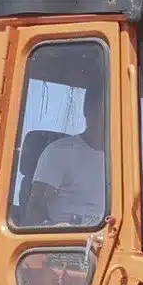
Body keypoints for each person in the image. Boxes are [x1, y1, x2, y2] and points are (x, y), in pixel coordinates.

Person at [24, 81, 108, 227]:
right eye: (102, 108)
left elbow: (138, 213)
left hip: (112, 242)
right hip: (70, 245)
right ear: (87, 110)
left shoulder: (127, 163)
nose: (108, 115)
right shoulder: (59, 152)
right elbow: (35, 210)